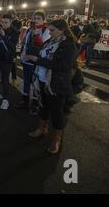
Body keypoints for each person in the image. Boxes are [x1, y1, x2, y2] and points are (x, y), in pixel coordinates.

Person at [25, 19, 78, 154]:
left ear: (62, 30)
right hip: (42, 80)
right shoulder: (50, 42)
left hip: (56, 83)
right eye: (49, 30)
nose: (49, 33)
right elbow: (43, 54)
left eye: (52, 30)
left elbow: (64, 66)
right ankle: (41, 128)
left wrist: (38, 60)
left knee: (57, 112)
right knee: (43, 106)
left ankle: (56, 139)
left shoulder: (69, 45)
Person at [19, 11, 50, 114]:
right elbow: (25, 44)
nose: (36, 20)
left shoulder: (46, 30)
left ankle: (36, 104)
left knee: (36, 84)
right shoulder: (29, 30)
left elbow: (44, 46)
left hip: (38, 62)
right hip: (27, 60)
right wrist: (22, 56)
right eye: (34, 18)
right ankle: (24, 101)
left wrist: (36, 35)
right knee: (26, 82)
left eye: (38, 18)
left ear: (43, 20)